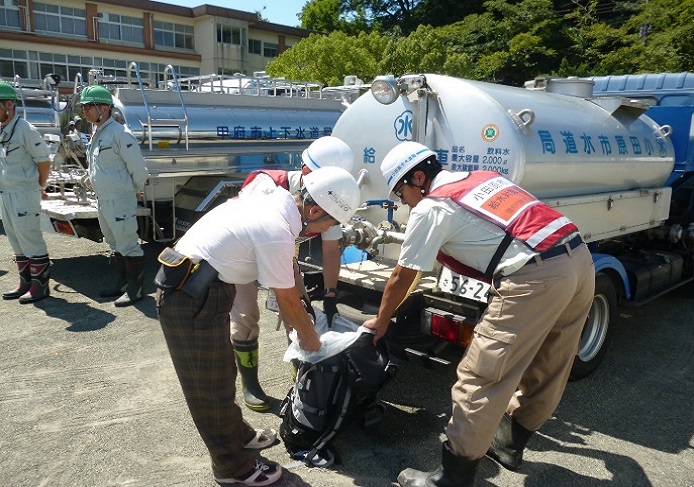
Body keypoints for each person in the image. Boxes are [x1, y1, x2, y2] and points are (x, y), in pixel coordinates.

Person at [364, 141, 595, 486]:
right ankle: (508, 444)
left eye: (401, 192)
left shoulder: (432, 207)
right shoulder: (483, 178)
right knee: (550, 363)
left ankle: (452, 477)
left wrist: (381, 321)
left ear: (418, 177)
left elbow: (403, 276)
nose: (403, 201)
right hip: (578, 259)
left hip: (534, 277)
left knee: (482, 376)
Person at [155, 166, 361, 486]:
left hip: (205, 285)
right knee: (208, 389)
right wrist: (311, 340)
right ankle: (232, 468)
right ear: (315, 209)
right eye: (329, 223)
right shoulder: (276, 227)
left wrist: (304, 326)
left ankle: (240, 435)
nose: (325, 231)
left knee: (221, 374)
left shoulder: (276, 199)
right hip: (190, 294)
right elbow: (287, 299)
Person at [232, 135, 354, 411]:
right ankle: (250, 384)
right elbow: (258, 234)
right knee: (245, 317)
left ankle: (301, 374)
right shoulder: (267, 185)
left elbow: (331, 248)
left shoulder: (330, 195)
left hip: (284, 254)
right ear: (307, 170)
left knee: (302, 313)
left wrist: (331, 295)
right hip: (244, 255)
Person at [79, 85, 149, 307]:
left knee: (128, 244)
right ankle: (121, 284)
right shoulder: (98, 134)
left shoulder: (120, 134)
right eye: (84, 107)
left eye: (89, 106)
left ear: (105, 108)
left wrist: (132, 189)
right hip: (103, 199)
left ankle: (135, 290)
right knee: (114, 243)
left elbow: (138, 169)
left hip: (120, 199)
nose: (85, 111)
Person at [0, 80, 52, 304]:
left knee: (31, 239)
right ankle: (25, 283)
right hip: (6, 194)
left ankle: (40, 287)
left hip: (24, 193)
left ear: (8, 104)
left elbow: (44, 162)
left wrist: (39, 186)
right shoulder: (2, 130)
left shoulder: (25, 130)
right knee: (16, 240)